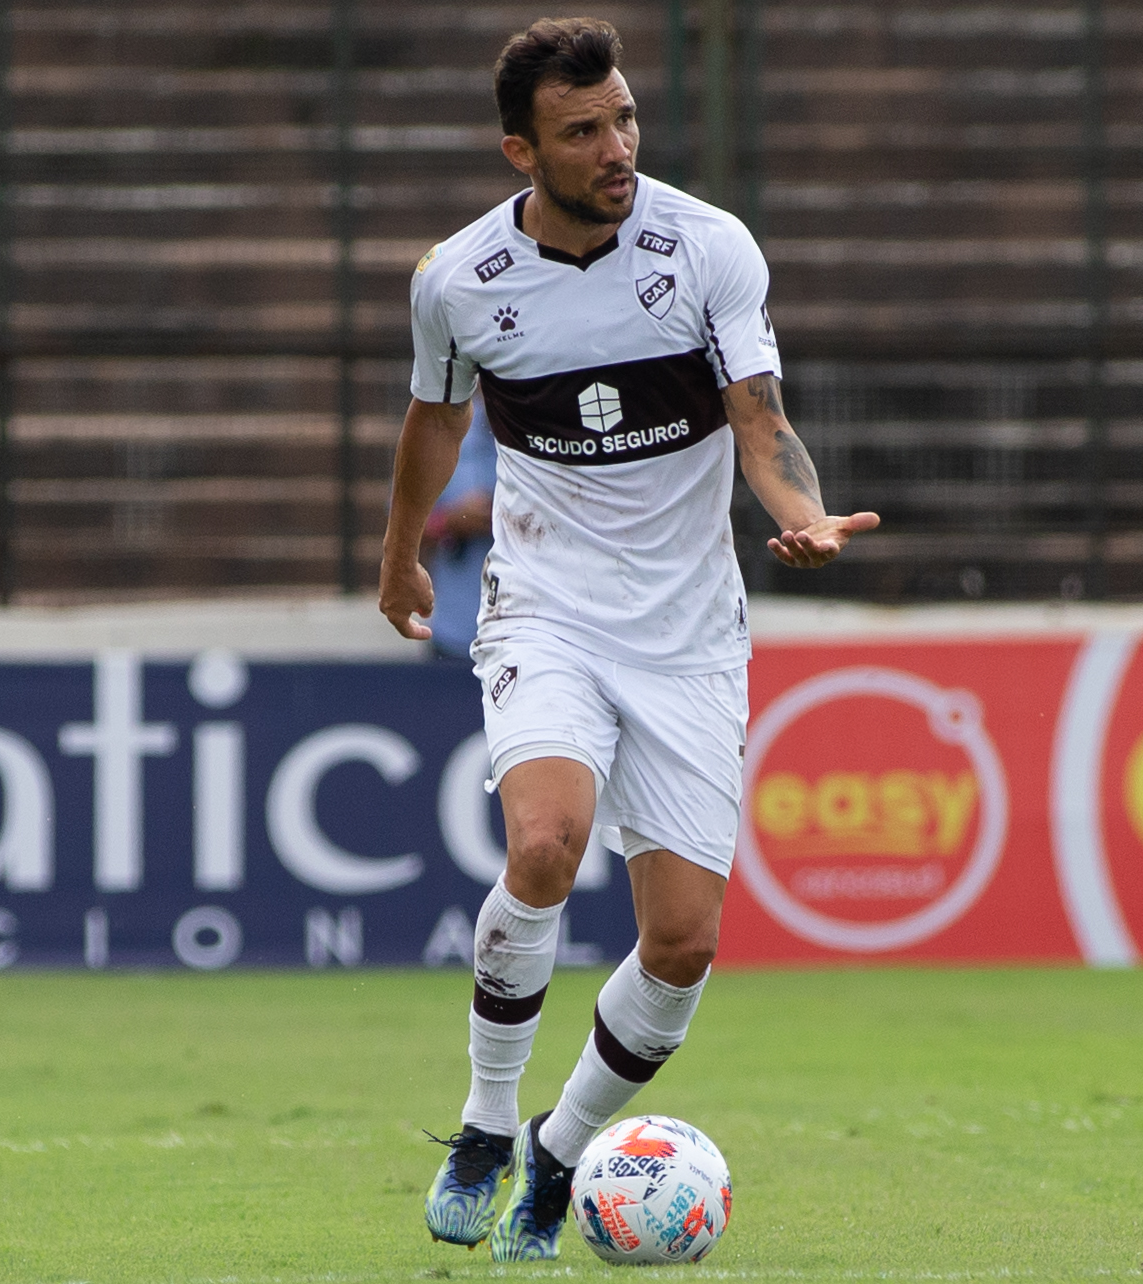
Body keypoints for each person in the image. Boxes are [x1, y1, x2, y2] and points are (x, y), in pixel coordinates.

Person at [377, 17, 878, 1260]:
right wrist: (396, 557)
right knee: (544, 846)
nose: (619, 148)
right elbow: (434, 427)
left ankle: (556, 1156)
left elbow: (759, 424)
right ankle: (488, 1127)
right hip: (544, 601)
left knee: (684, 944)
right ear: (519, 151)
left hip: (692, 633)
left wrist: (803, 518)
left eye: (627, 119)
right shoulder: (458, 279)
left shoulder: (708, 246)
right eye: (584, 131)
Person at [422, 399, 496, 661]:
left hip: (532, 636)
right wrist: (451, 521)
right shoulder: (444, 434)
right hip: (455, 634)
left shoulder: (550, 438)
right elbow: (402, 529)